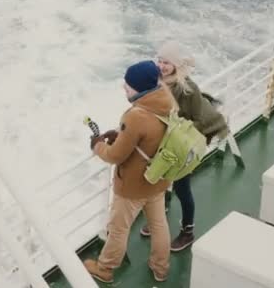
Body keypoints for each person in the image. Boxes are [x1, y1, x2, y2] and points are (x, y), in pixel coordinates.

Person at [84, 60, 173, 283]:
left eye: (128, 85)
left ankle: (105, 268)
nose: (125, 88)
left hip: (134, 185)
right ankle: (161, 268)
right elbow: (150, 136)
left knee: (118, 229)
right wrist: (120, 135)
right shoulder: (167, 101)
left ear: (140, 88)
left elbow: (115, 156)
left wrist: (97, 146)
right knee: (159, 224)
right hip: (158, 178)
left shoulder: (136, 116)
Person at [139, 40, 229, 252]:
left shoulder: (187, 88)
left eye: (167, 62)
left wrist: (178, 133)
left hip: (183, 144)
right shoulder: (158, 80)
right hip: (168, 140)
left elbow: (199, 119)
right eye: (159, 61)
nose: (161, 66)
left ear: (176, 65)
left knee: (182, 187)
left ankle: (188, 232)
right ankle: (159, 219)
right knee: (161, 180)